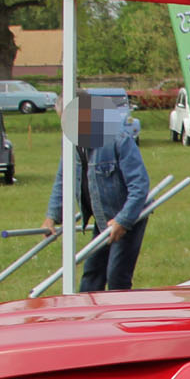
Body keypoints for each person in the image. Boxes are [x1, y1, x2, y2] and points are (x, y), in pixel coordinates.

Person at [43, 99, 151, 291]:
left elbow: (139, 185)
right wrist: (51, 216)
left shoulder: (118, 140)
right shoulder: (71, 143)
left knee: (117, 276)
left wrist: (123, 221)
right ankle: (88, 317)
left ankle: (118, 317)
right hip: (102, 217)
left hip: (128, 217)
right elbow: (63, 179)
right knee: (92, 273)